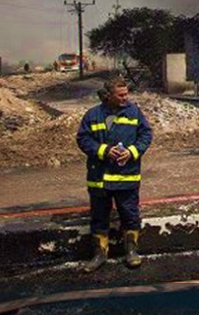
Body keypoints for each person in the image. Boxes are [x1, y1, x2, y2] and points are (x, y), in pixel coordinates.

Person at [76, 77, 153, 273]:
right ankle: (100, 254)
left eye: (126, 94)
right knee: (99, 217)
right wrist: (103, 150)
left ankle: (131, 251)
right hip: (99, 179)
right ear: (109, 96)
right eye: (121, 95)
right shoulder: (92, 115)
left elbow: (146, 135)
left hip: (126, 177)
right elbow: (83, 139)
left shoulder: (134, 112)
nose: (125, 98)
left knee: (130, 214)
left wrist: (133, 152)